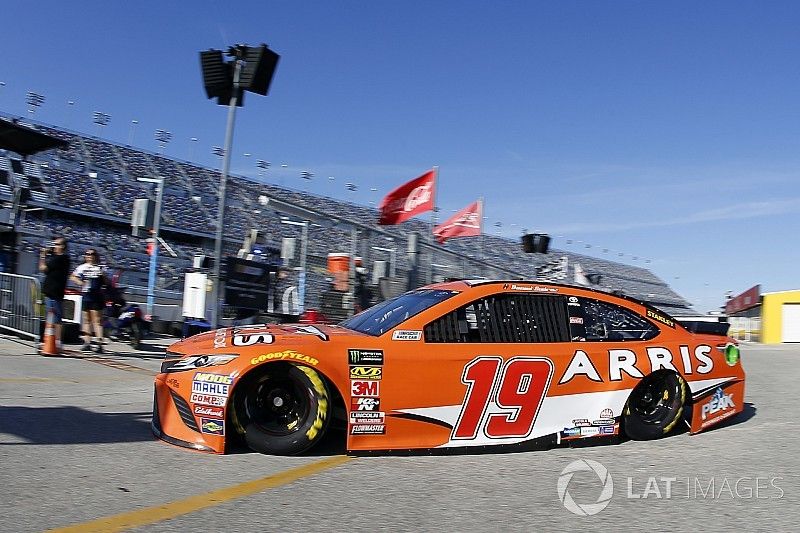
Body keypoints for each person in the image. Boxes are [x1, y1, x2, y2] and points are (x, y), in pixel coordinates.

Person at [70, 248, 108, 353]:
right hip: (86, 295)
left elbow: (106, 282)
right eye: (87, 254)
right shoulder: (82, 267)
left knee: (97, 320)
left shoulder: (101, 267)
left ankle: (100, 344)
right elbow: (73, 277)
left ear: (96, 256)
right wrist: (80, 282)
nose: (89, 256)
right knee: (86, 319)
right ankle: (87, 342)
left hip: (97, 296)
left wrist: (103, 275)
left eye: (92, 254)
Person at [39, 237, 70, 354]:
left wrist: (43, 255)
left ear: (63, 247)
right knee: (50, 318)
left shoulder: (61, 258)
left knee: (56, 318)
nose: (54, 246)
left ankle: (58, 342)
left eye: (57, 244)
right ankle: (49, 340)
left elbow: (42, 268)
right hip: (50, 291)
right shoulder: (58, 258)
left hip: (55, 292)